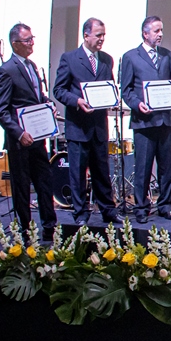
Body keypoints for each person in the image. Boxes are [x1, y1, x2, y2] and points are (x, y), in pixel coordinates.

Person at [52, 17, 123, 226]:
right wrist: (77, 101)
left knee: (102, 172)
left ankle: (108, 211)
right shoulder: (69, 58)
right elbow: (59, 90)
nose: (102, 39)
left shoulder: (106, 59)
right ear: (86, 35)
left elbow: (108, 85)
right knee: (78, 173)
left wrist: (113, 98)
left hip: (99, 127)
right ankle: (81, 213)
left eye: (104, 35)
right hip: (78, 127)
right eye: (98, 35)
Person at [0, 23, 57, 238]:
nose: (31, 43)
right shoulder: (6, 70)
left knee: (44, 182)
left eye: (32, 39)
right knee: (21, 187)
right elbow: (1, 110)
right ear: (15, 44)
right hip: (20, 140)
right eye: (27, 40)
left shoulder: (32, 66)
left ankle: (50, 227)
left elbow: (36, 98)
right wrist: (19, 133)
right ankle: (26, 230)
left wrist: (47, 104)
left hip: (38, 138)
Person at [118, 15, 171, 224]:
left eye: (161, 30)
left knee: (166, 168)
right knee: (143, 168)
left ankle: (165, 206)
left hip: (164, 120)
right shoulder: (130, 57)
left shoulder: (167, 55)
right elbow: (126, 90)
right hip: (143, 121)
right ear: (145, 34)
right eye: (156, 31)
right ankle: (141, 208)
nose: (160, 34)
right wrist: (137, 105)